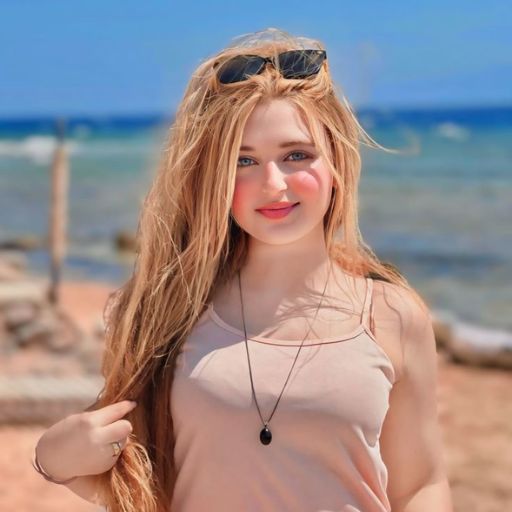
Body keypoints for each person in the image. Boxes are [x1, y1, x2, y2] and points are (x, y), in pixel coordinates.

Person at [32, 27, 453, 512]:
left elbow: (421, 484)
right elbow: (133, 479)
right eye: (243, 161)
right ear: (212, 178)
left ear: (336, 160)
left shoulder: (393, 316)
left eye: (297, 155)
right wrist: (53, 457)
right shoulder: (165, 312)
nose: (273, 184)